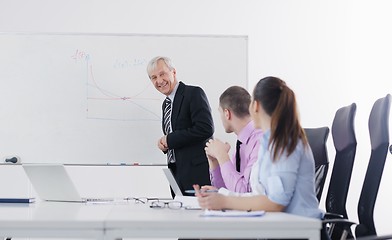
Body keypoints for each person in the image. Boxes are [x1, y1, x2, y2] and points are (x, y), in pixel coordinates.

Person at [194, 76, 323, 220]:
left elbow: (276, 202)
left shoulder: (284, 143)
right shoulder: (269, 143)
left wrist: (225, 200)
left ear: (255, 106)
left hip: (297, 228)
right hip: (278, 224)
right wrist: (223, 195)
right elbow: (258, 194)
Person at [147, 56, 214, 196]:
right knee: (177, 215)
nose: (159, 81)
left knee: (196, 216)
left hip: (196, 174)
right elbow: (177, 135)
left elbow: (205, 128)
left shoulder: (193, 93)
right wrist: (165, 144)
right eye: (153, 77)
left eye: (162, 74)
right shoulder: (166, 104)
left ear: (173, 72)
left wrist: (170, 139)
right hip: (176, 173)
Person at [205, 86, 262, 193]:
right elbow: (230, 189)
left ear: (227, 113)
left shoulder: (260, 141)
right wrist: (215, 161)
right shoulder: (241, 143)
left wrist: (222, 156)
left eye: (220, 112)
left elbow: (245, 192)